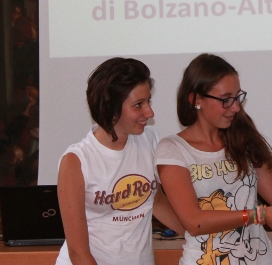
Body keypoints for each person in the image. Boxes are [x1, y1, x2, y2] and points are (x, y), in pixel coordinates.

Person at [156, 53, 272, 265]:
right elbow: (194, 222)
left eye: (237, 97)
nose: (235, 107)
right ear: (196, 99)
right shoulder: (173, 149)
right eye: (225, 100)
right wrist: (258, 215)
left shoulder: (243, 138)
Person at [56, 58, 182, 265]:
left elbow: (155, 200)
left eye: (148, 101)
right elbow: (78, 252)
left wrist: (202, 235)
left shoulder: (150, 140)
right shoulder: (76, 161)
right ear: (111, 108)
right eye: (138, 105)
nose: (149, 112)